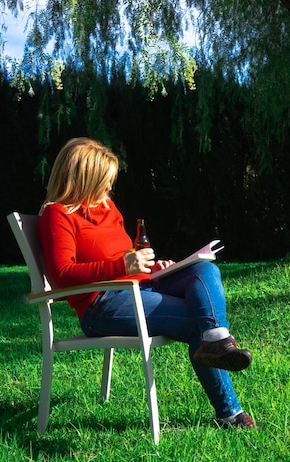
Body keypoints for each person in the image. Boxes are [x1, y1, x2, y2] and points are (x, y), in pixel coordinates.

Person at [37, 137, 255, 428]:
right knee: (196, 321)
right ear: (84, 179)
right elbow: (62, 275)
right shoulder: (57, 215)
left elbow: (122, 255)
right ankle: (230, 414)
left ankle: (216, 341)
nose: (108, 189)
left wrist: (151, 267)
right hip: (102, 307)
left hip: (140, 286)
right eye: (104, 181)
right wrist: (124, 265)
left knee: (203, 270)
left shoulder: (107, 207)